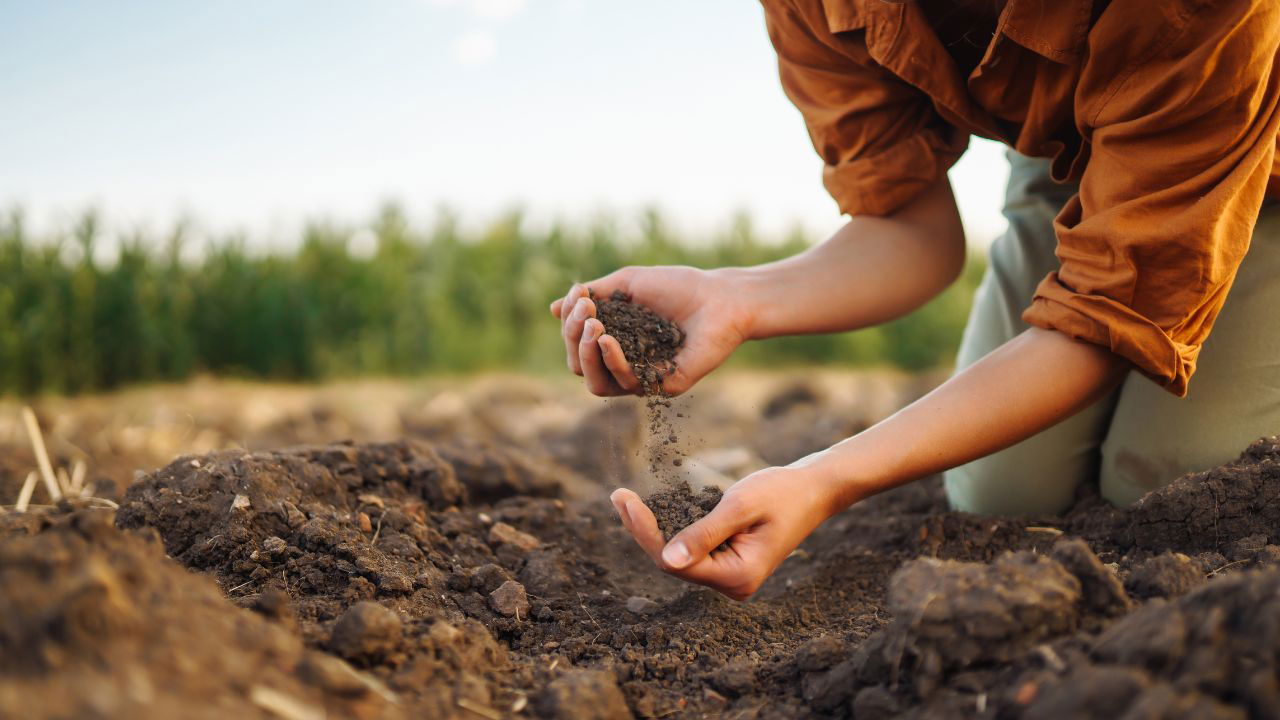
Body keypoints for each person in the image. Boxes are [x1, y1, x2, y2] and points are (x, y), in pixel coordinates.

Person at [550, 0, 1280, 600]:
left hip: (1250, 142)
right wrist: (735, 297)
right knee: (1003, 494)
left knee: (1177, 485)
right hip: (1078, 153)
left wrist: (825, 479)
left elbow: (1107, 316)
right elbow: (909, 229)